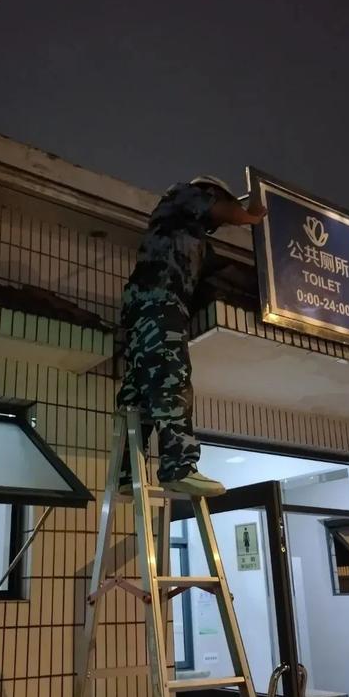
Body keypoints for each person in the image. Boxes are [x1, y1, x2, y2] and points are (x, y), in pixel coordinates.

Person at [117, 176, 267, 497]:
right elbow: (233, 212)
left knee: (141, 391)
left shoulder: (190, 238)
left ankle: (127, 471)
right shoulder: (182, 195)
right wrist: (253, 212)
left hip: (145, 306)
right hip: (159, 301)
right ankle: (179, 467)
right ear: (211, 194)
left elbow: (226, 272)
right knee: (172, 378)